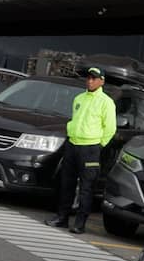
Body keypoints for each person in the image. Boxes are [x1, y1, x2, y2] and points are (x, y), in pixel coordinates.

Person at [45, 66, 117, 234]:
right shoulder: (78, 98)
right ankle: (61, 218)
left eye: (94, 78)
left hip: (90, 148)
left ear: (102, 81)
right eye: (89, 78)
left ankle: (79, 224)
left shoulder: (106, 102)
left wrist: (99, 145)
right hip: (72, 145)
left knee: (86, 187)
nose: (90, 81)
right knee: (67, 184)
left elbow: (110, 128)